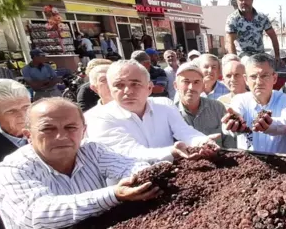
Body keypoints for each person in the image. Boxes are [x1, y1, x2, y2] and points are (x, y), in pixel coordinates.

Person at [0, 98, 161, 229]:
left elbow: (132, 166)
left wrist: (142, 176)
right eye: (48, 129)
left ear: (83, 131)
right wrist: (114, 195)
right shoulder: (8, 171)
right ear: (28, 135)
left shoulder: (92, 151)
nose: (61, 136)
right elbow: (40, 215)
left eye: (71, 128)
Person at [86, 60, 218, 164]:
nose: (127, 91)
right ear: (110, 88)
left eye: (135, 84)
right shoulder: (98, 117)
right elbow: (127, 152)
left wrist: (202, 141)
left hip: (170, 180)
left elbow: (184, 130)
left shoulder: (164, 105)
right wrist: (172, 152)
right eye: (119, 85)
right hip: (130, 189)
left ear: (149, 88)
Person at [222, 53, 286, 154]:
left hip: (282, 164)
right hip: (249, 163)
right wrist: (232, 123)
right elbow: (232, 118)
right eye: (253, 76)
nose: (259, 82)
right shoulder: (239, 100)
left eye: (264, 76)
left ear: (274, 78)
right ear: (246, 80)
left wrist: (269, 124)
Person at [175, 62, 231, 148]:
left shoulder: (217, 108)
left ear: (203, 86)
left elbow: (229, 142)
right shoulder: (171, 113)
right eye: (186, 82)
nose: (191, 87)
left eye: (196, 82)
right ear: (176, 86)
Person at [225, 0, 282, 67]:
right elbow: (229, 41)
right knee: (251, 64)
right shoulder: (232, 19)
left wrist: (277, 56)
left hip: (260, 55)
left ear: (252, 0)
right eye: (241, 0)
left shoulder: (261, 17)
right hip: (243, 56)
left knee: (275, 67)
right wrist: (234, 61)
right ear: (237, 2)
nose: (244, 2)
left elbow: (273, 36)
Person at [83, 64, 113, 132]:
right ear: (95, 88)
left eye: (113, 78)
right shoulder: (89, 119)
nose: (111, 83)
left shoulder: (137, 109)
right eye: (103, 80)